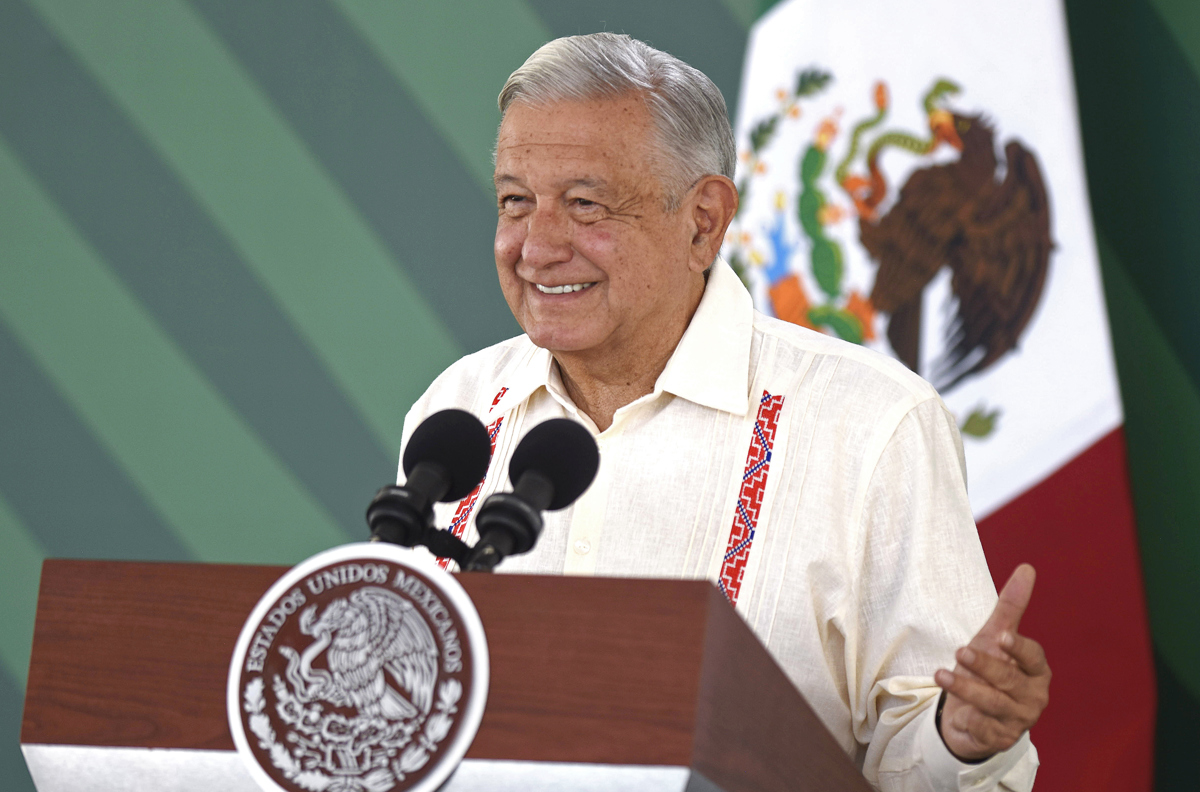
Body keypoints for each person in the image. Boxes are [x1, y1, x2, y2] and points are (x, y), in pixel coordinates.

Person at [399, 32, 1049, 792]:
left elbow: (920, 752)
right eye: (516, 202)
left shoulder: (871, 424)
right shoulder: (459, 407)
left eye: (585, 205)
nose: (537, 247)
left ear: (703, 220)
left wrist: (962, 739)